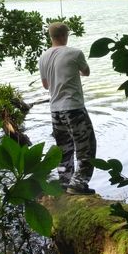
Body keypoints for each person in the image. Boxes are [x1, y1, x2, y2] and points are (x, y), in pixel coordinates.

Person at [39, 22, 97, 195]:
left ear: (50, 37)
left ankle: (64, 182)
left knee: (63, 149)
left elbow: (45, 85)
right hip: (73, 108)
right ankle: (78, 184)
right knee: (86, 147)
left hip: (55, 111)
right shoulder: (75, 53)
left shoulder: (43, 57)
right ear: (65, 35)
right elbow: (86, 72)